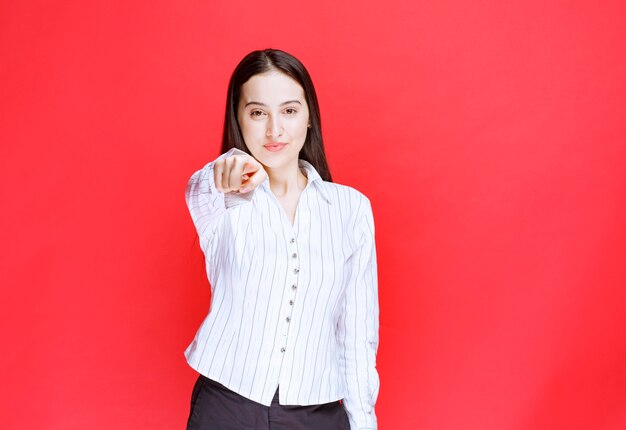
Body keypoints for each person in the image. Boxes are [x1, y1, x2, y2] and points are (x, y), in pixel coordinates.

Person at [184, 48, 379, 430]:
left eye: (289, 111)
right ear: (239, 120)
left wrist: (363, 421)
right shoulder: (225, 201)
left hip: (318, 413)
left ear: (309, 118)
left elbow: (357, 333)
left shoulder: (350, 209)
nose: (274, 130)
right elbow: (203, 189)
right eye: (258, 113)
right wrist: (225, 172)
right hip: (226, 406)